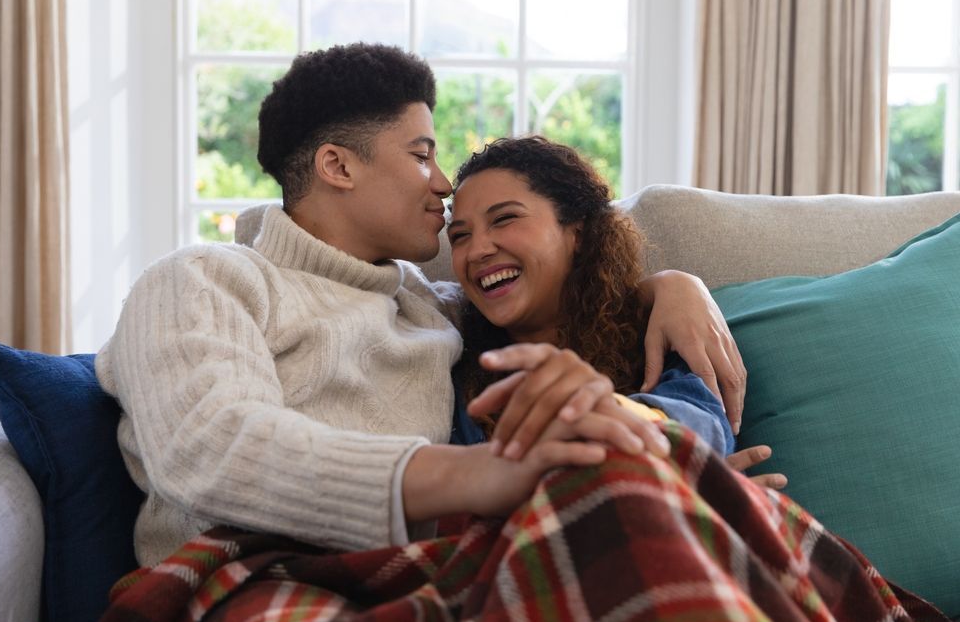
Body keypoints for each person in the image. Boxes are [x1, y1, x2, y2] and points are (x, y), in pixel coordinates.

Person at [94, 42, 748, 568]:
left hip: (434, 574)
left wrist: (668, 287)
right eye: (422, 154)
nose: (442, 186)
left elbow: (550, 295)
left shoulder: (429, 307)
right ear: (337, 166)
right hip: (252, 575)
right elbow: (211, 449)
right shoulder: (200, 280)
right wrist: (478, 474)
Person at [446, 136, 787, 489]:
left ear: (576, 233)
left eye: (504, 219)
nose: (477, 251)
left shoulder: (657, 328)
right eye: (459, 236)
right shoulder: (456, 364)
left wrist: (602, 418)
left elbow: (704, 424)